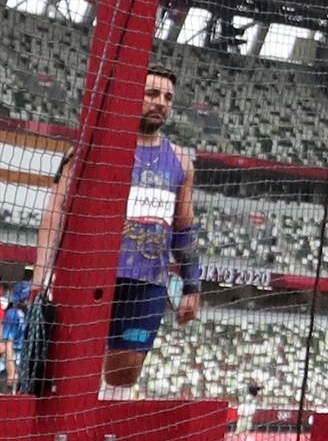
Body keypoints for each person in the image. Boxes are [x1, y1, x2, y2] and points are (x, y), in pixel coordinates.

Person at [32, 65, 202, 398]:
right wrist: (42, 272)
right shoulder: (89, 148)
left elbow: (184, 227)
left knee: (124, 373)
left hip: (147, 283)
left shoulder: (180, 161)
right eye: (152, 94)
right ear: (130, 96)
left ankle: (100, 439)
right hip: (90, 274)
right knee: (69, 365)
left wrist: (192, 286)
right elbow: (56, 211)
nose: (161, 103)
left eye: (168, 97)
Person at [1, 279, 29, 395]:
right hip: (9, 365)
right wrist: (11, 372)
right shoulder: (12, 314)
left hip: (20, 362)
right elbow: (8, 344)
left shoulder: (24, 314)